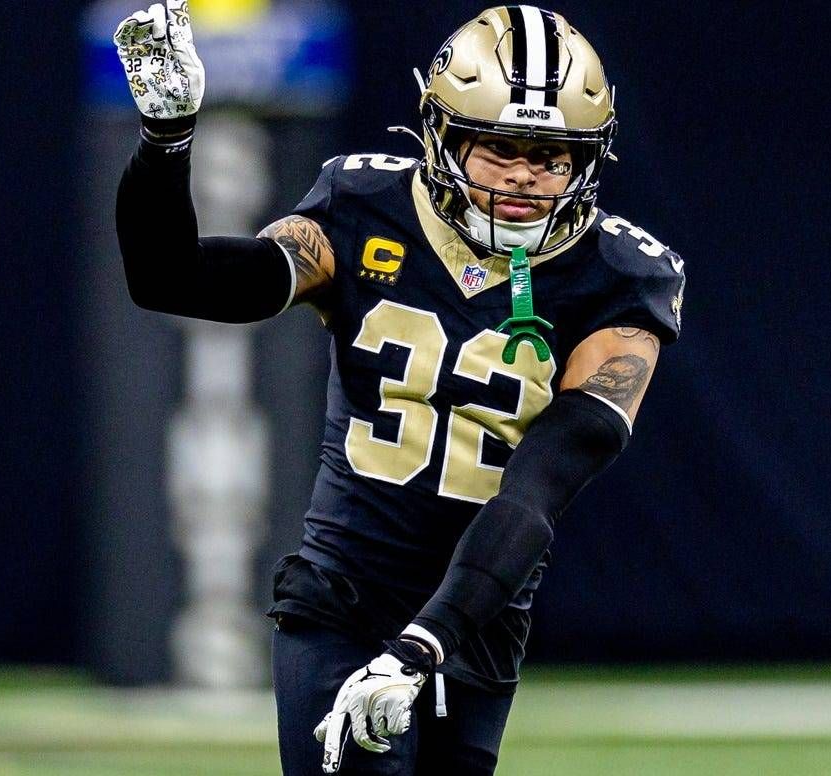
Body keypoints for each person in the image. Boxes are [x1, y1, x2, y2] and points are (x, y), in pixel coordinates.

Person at [113, 3, 686, 774]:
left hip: (480, 607)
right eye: (499, 146)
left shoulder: (620, 277)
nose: (523, 174)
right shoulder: (363, 208)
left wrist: (424, 643)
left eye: (551, 155)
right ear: (442, 134)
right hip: (345, 597)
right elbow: (171, 278)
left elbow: (535, 491)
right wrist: (165, 140)